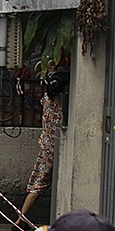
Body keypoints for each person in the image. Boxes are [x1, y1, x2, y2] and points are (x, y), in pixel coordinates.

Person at [20, 70, 68, 219]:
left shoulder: (47, 99)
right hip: (57, 148)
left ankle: (20, 218)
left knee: (37, 183)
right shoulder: (63, 105)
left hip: (46, 145)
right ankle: (20, 219)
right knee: (39, 185)